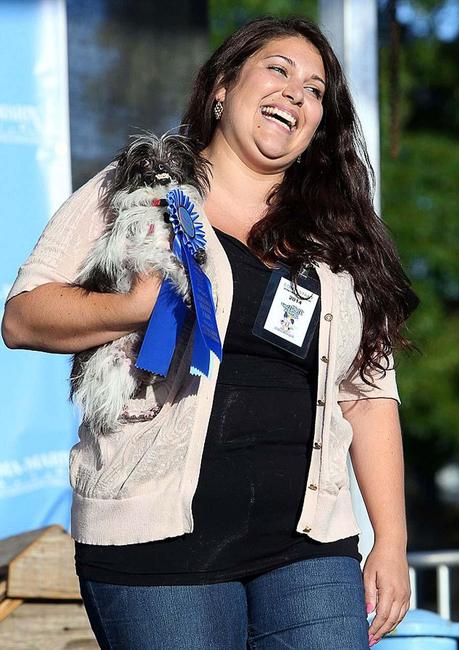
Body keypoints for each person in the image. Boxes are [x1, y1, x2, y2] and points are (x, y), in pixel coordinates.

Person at [2, 15, 419, 650]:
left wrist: (392, 540)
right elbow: (23, 315)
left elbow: (368, 391)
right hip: (157, 550)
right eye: (278, 71)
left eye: (314, 90)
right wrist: (133, 308)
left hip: (310, 548)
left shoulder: (341, 234)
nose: (295, 94)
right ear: (222, 86)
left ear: (318, 126)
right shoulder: (137, 187)